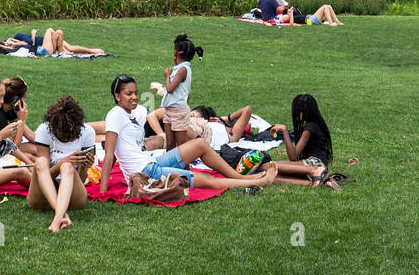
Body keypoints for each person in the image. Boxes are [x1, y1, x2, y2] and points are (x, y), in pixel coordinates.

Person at [100, 76, 277, 196]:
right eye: (128, 94)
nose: (135, 97)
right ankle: (254, 182)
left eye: (136, 93)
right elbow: (109, 153)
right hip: (146, 173)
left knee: (200, 144)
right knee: (208, 180)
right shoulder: (115, 115)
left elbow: (118, 151)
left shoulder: (134, 113)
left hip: (151, 163)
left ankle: (240, 177)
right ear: (117, 96)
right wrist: (103, 190)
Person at [28, 95, 95, 233]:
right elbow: (44, 173)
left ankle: (57, 218)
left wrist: (85, 166)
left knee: (67, 167)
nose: (70, 138)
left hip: (73, 196)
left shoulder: (87, 132)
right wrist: (64, 161)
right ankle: (61, 214)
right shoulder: (44, 130)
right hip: (44, 194)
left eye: (73, 134)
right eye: (65, 135)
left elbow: (81, 180)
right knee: (40, 162)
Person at [269, 94, 335, 185]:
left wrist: (284, 130)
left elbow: (293, 156)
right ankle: (315, 181)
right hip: (316, 162)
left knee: (270, 166)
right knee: (273, 175)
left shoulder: (310, 127)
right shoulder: (312, 124)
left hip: (316, 163)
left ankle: (316, 171)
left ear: (301, 112)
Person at [161, 33, 203, 150]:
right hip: (170, 110)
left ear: (176, 52)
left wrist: (167, 76)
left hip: (178, 112)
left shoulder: (183, 70)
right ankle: (169, 167)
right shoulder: (181, 68)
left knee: (181, 147)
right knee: (169, 144)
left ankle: (184, 167)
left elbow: (169, 89)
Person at [0, 77, 38, 166]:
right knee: (29, 156)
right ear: (16, 100)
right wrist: (21, 121)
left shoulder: (10, 109)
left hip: (2, 147)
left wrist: (49, 144)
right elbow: (13, 147)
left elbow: (31, 136)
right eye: (24, 98)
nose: (25, 103)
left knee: (36, 148)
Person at [0, 28, 106, 57]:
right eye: (8, 44)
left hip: (46, 44)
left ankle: (94, 52)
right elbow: (29, 46)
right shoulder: (15, 48)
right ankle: (61, 52)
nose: (10, 43)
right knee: (51, 30)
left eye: (9, 42)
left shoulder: (19, 38)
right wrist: (8, 45)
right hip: (45, 47)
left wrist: (13, 41)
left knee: (67, 45)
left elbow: (29, 43)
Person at [278, 4, 344, 27]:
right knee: (325, 7)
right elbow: (291, 23)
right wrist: (291, 13)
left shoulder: (294, 16)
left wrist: (294, 9)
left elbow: (300, 15)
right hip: (310, 20)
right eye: (288, 10)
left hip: (310, 18)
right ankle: (331, 23)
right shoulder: (291, 18)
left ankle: (337, 21)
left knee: (328, 6)